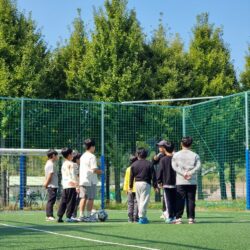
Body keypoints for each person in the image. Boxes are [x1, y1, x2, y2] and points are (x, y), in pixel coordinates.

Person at [172, 136, 201, 224]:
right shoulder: (195, 155)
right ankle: (191, 218)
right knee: (191, 200)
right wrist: (190, 173)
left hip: (180, 180)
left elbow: (174, 166)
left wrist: (183, 173)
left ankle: (178, 218)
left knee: (180, 199)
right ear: (191, 144)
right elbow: (198, 166)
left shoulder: (176, 155)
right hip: (192, 181)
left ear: (181, 144)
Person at [129, 148, 157, 224]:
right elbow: (153, 176)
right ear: (146, 155)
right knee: (144, 201)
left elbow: (131, 177)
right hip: (146, 184)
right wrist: (155, 186)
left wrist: (130, 187)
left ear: (138, 155)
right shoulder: (149, 164)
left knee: (139, 201)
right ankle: (142, 217)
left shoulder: (134, 164)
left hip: (137, 184)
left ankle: (142, 216)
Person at [79, 139, 102, 222]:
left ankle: (81, 215)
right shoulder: (92, 156)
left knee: (83, 198)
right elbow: (94, 169)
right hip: (90, 180)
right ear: (92, 147)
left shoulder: (82, 156)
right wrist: (101, 171)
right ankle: (88, 216)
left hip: (82, 179)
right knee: (91, 198)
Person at [57, 148, 79, 223]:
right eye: (72, 154)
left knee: (63, 201)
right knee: (71, 202)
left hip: (65, 185)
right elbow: (74, 175)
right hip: (71, 185)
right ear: (69, 155)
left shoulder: (64, 164)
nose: (73, 155)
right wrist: (77, 186)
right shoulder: (72, 164)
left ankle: (59, 216)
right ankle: (69, 217)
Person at [157, 140, 176, 224]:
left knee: (168, 201)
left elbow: (160, 171)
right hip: (176, 183)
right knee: (174, 200)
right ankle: (175, 216)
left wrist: (159, 181)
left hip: (166, 183)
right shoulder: (176, 158)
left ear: (165, 149)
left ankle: (169, 217)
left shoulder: (163, 160)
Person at [43, 149, 59, 221]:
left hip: (52, 185)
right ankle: (49, 215)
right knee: (51, 201)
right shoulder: (51, 164)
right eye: (56, 155)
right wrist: (46, 184)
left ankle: (50, 215)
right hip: (52, 185)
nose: (57, 157)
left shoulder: (49, 163)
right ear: (53, 156)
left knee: (51, 200)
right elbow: (50, 175)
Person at [123, 155, 139, 223]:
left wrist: (126, 188)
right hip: (137, 188)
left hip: (130, 189)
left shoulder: (128, 169)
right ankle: (136, 217)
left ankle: (130, 218)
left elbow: (126, 180)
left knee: (130, 203)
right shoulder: (138, 168)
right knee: (136, 203)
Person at [152, 144, 166, 219]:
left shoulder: (171, 154)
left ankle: (171, 212)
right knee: (165, 196)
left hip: (171, 178)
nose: (159, 148)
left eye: (161, 146)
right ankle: (165, 212)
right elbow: (153, 163)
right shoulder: (159, 155)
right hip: (163, 179)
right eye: (159, 146)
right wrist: (154, 159)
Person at [72, 152, 82, 219]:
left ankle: (73, 214)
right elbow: (76, 176)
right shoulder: (75, 165)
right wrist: (77, 186)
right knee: (76, 201)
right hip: (75, 186)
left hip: (74, 185)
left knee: (76, 201)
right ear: (77, 159)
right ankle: (73, 215)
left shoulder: (75, 165)